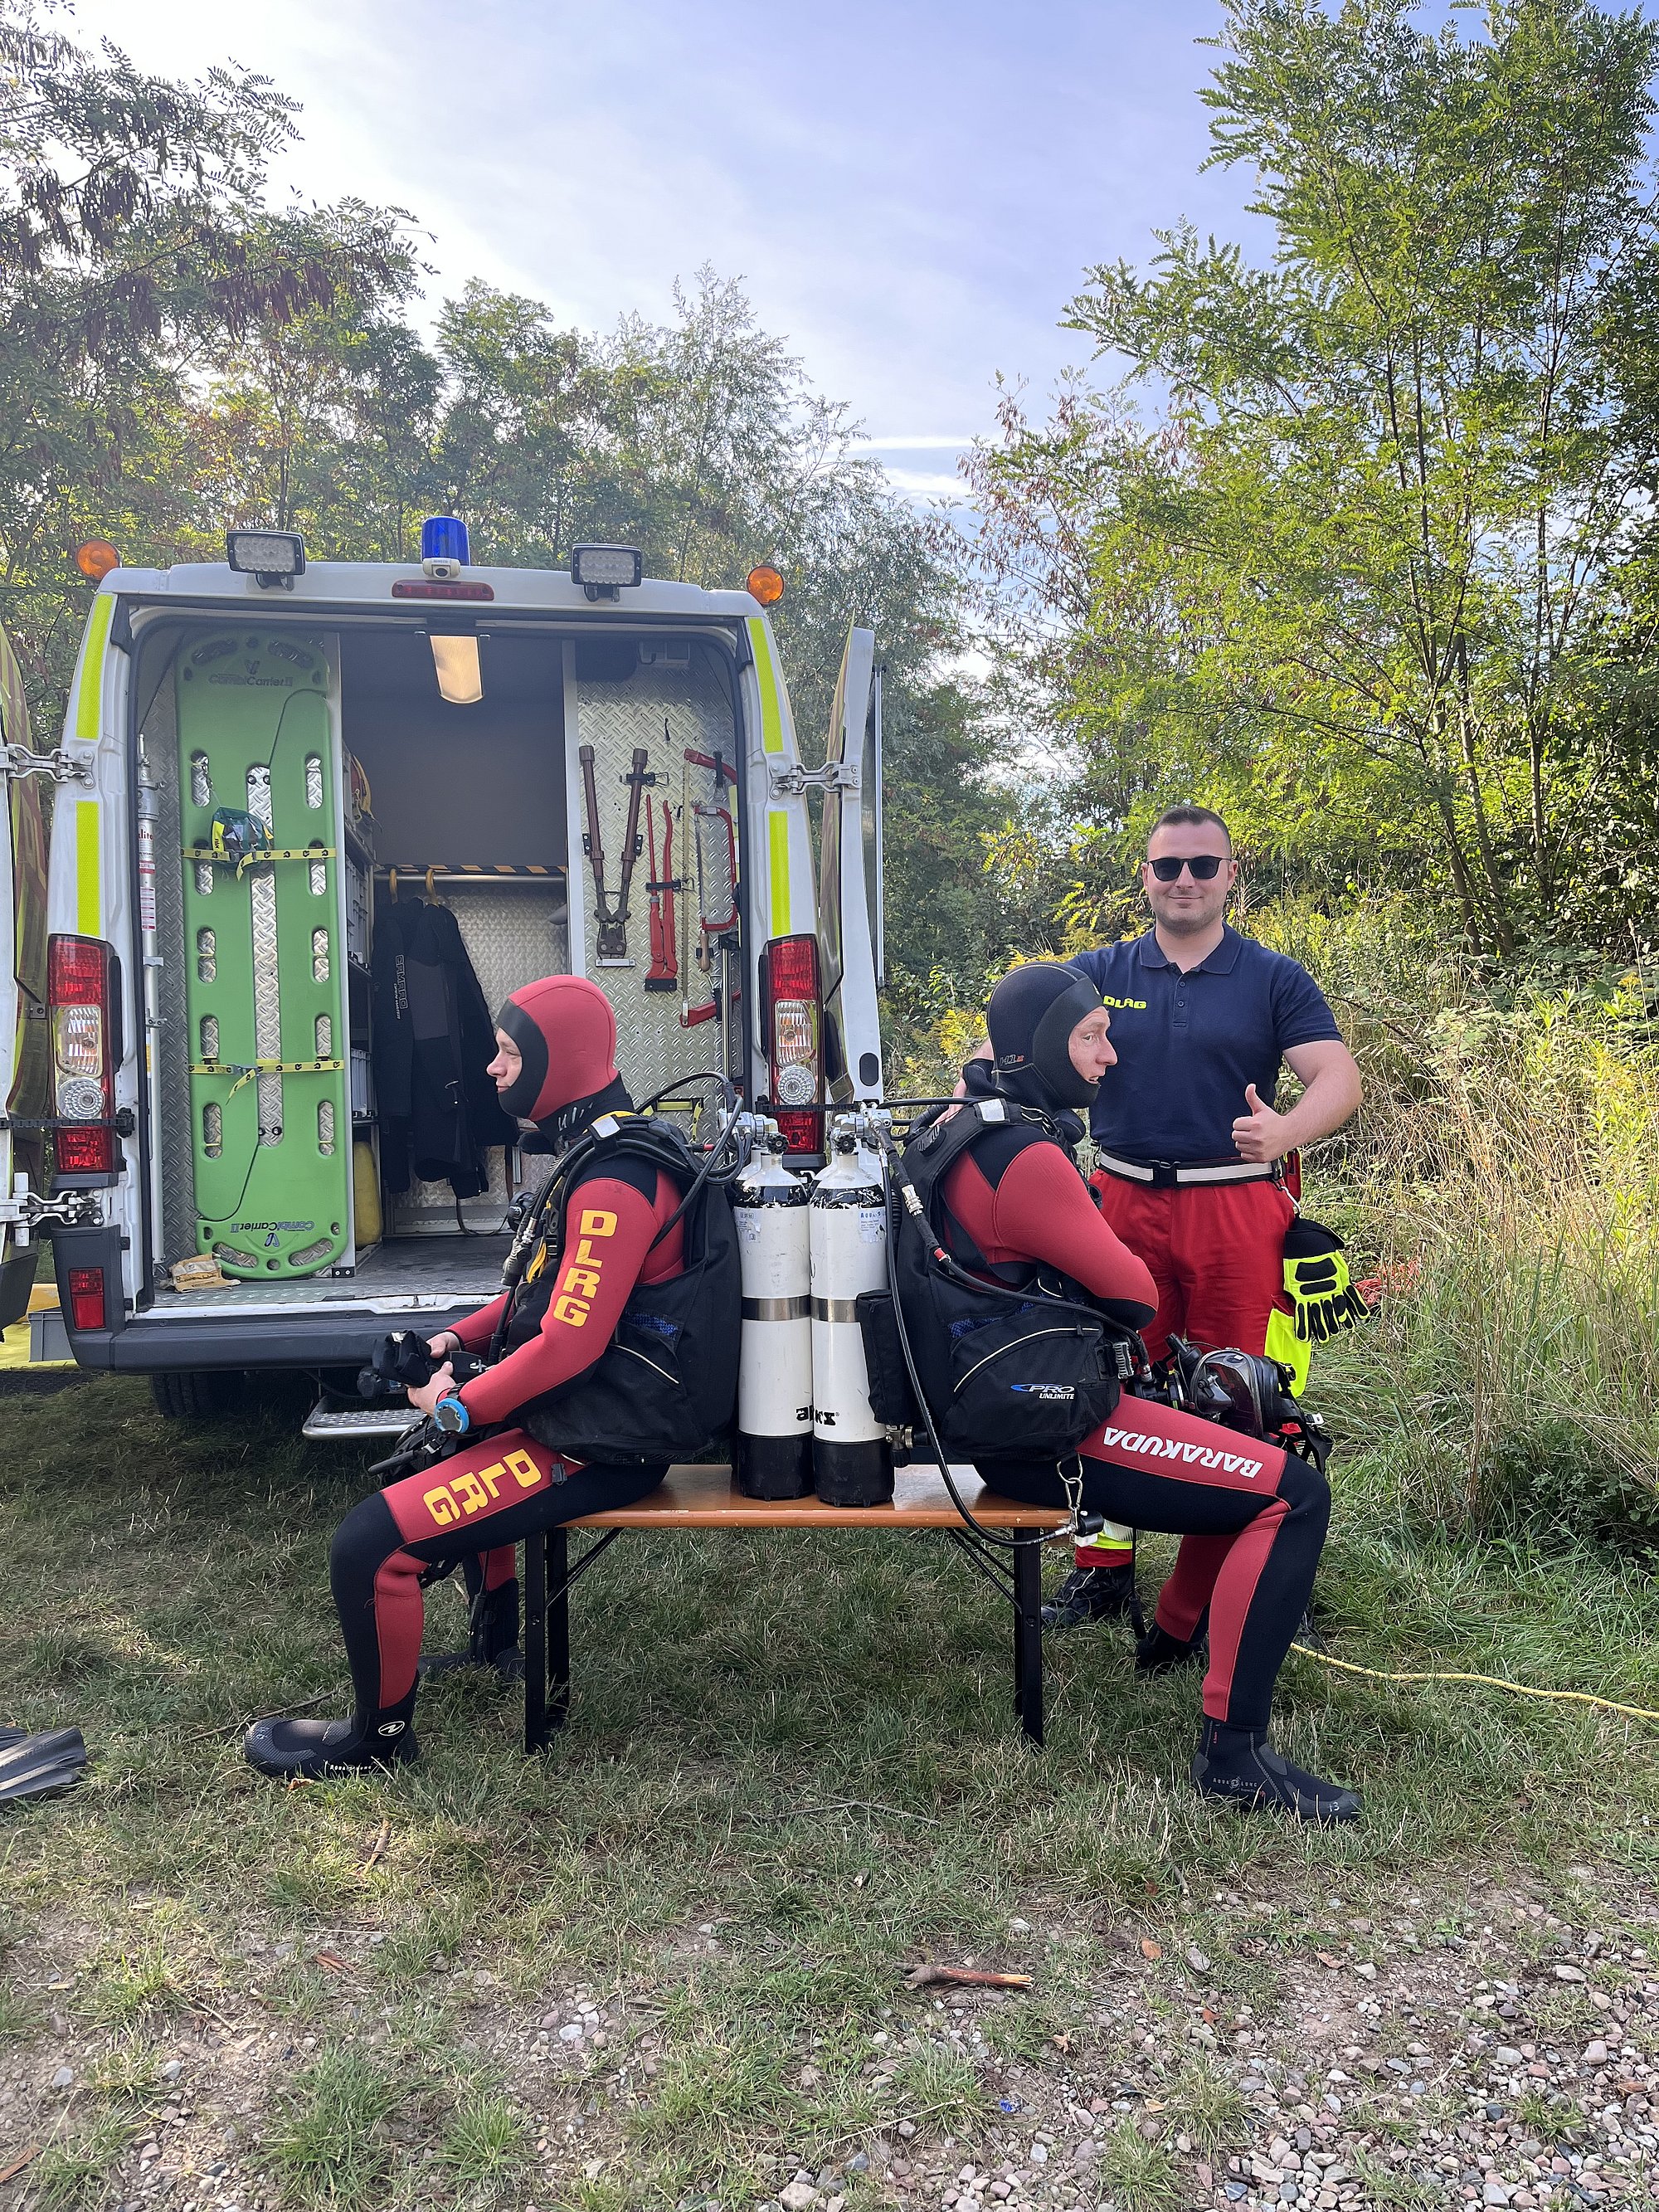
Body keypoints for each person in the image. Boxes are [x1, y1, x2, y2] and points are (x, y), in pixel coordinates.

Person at [933, 962, 1360, 1821]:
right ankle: (1231, 1753)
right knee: (1289, 1491)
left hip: (999, 1413)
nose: (1107, 1055)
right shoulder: (1027, 1154)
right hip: (1050, 1433)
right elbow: (1131, 1296)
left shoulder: (959, 1130)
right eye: (1088, 1038)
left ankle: (1168, 1635)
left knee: (1231, 1423)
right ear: (1044, 1047)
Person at [244, 974, 698, 1781]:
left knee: (369, 1545)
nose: (491, 1066)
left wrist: (455, 1409)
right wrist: (449, 1339)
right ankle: (495, 1644)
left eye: (509, 1049)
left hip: (603, 1439)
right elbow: (531, 1297)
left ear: (561, 1061)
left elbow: (565, 1345)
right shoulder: (595, 1152)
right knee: (444, 1458)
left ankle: (375, 1743)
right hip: (589, 1414)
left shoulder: (614, 1181)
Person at [1047, 805, 1363, 1630]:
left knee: (1238, 1392)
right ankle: (1100, 1569)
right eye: (1166, 866)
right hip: (1119, 1209)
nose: (1182, 880)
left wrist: (1288, 1128)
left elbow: (1337, 1075)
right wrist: (982, 1091)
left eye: (1200, 865)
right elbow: (1014, 1034)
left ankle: (1234, 1573)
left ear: (1230, 877)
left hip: (1235, 1210)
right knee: (1110, 1387)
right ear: (1143, 878)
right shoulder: (1098, 971)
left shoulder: (1272, 977)